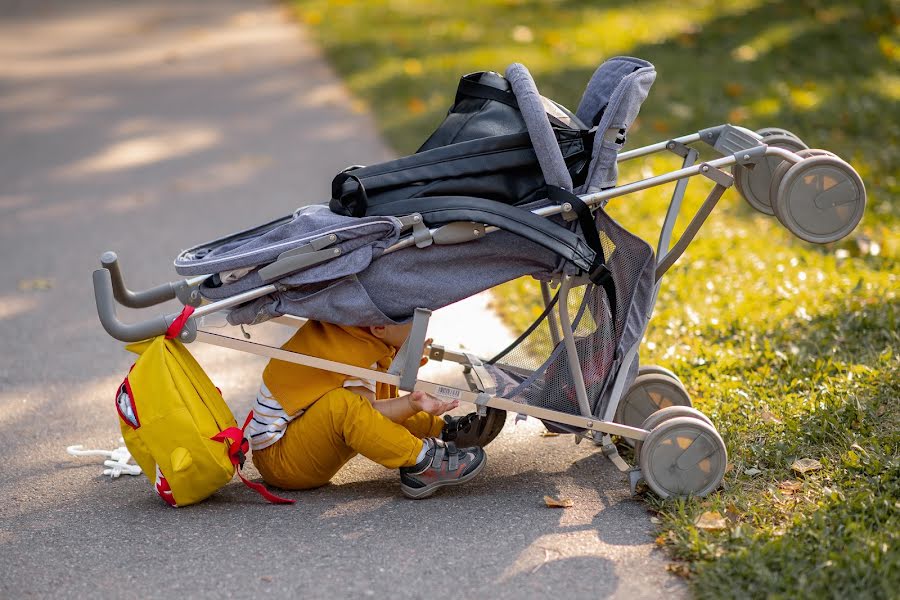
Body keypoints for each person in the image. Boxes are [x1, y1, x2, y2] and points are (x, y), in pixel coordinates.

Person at [248, 319, 488, 499]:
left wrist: (409, 363)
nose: (423, 329)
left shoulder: (353, 334)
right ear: (379, 327)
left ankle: (442, 431)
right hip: (282, 460)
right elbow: (369, 416)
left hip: (296, 445)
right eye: (416, 322)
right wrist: (410, 403)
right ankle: (420, 461)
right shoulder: (350, 357)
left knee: (391, 407)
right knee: (344, 407)